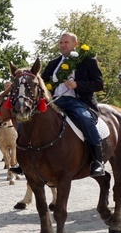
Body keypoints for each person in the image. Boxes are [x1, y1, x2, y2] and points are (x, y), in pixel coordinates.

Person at [40, 31, 105, 177]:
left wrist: (77, 84)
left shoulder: (88, 60)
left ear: (75, 44)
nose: (63, 45)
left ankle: (97, 160)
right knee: (29, 118)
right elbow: (42, 84)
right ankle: (25, 159)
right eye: (61, 42)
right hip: (53, 102)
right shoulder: (53, 64)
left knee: (85, 119)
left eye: (66, 42)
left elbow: (99, 84)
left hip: (77, 102)